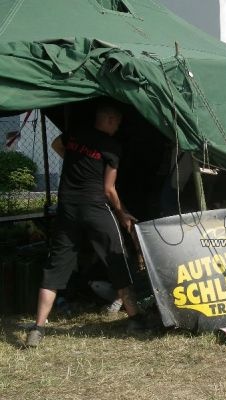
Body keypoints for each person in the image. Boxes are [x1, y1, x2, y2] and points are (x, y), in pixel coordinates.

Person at [25, 100, 144, 347]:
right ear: (109, 120)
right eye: (117, 123)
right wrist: (123, 213)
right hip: (96, 208)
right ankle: (136, 320)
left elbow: (56, 144)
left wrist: (75, 161)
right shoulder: (112, 146)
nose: (118, 128)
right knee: (117, 259)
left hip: (67, 208)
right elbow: (109, 189)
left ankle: (38, 328)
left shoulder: (75, 133)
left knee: (55, 266)